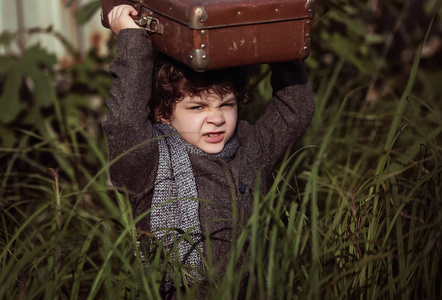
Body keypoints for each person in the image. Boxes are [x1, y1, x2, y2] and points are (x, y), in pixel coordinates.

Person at [103, 3, 315, 291]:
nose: (216, 118)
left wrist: (279, 39)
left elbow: (296, 111)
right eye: (197, 106)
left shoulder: (249, 147)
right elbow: (124, 125)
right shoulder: (149, 164)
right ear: (164, 113)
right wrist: (132, 42)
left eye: (226, 105)